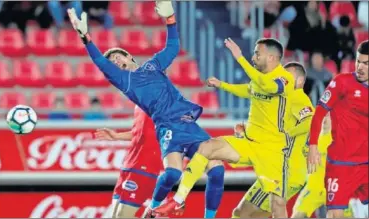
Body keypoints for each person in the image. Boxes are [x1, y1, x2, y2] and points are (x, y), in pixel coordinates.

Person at [67, 2, 225, 218]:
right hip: (147, 158)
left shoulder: (153, 66)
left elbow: (172, 48)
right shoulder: (126, 81)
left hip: (185, 125)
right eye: (111, 61)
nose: (114, 61)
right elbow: (98, 62)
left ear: (130, 57)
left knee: (217, 169)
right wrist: (86, 38)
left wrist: (170, 20)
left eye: (118, 56)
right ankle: (156, 208)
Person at [154, 38, 297, 218]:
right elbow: (248, 90)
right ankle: (178, 199)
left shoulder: (285, 78)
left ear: (271, 57)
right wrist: (222, 85)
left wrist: (240, 58)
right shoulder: (257, 79)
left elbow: (267, 86)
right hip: (249, 144)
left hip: (273, 152)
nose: (253, 57)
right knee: (206, 147)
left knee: (277, 204)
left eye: (257, 53)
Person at [228, 62, 314, 218]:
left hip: (284, 172)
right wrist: (245, 135)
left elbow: (310, 122)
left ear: (300, 81)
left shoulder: (296, 98)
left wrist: (286, 132)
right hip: (288, 172)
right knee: (251, 215)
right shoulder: (283, 103)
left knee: (241, 214)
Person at [308, 40, 369, 218]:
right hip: (341, 163)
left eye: (366, 63)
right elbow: (319, 113)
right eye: (359, 61)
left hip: (366, 164)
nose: (360, 67)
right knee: (335, 215)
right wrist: (313, 145)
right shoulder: (342, 82)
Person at [95, 106, 162, 218]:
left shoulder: (162, 103)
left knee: (122, 216)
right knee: (116, 216)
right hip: (128, 166)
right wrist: (116, 136)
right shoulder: (138, 105)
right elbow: (139, 133)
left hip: (144, 167)